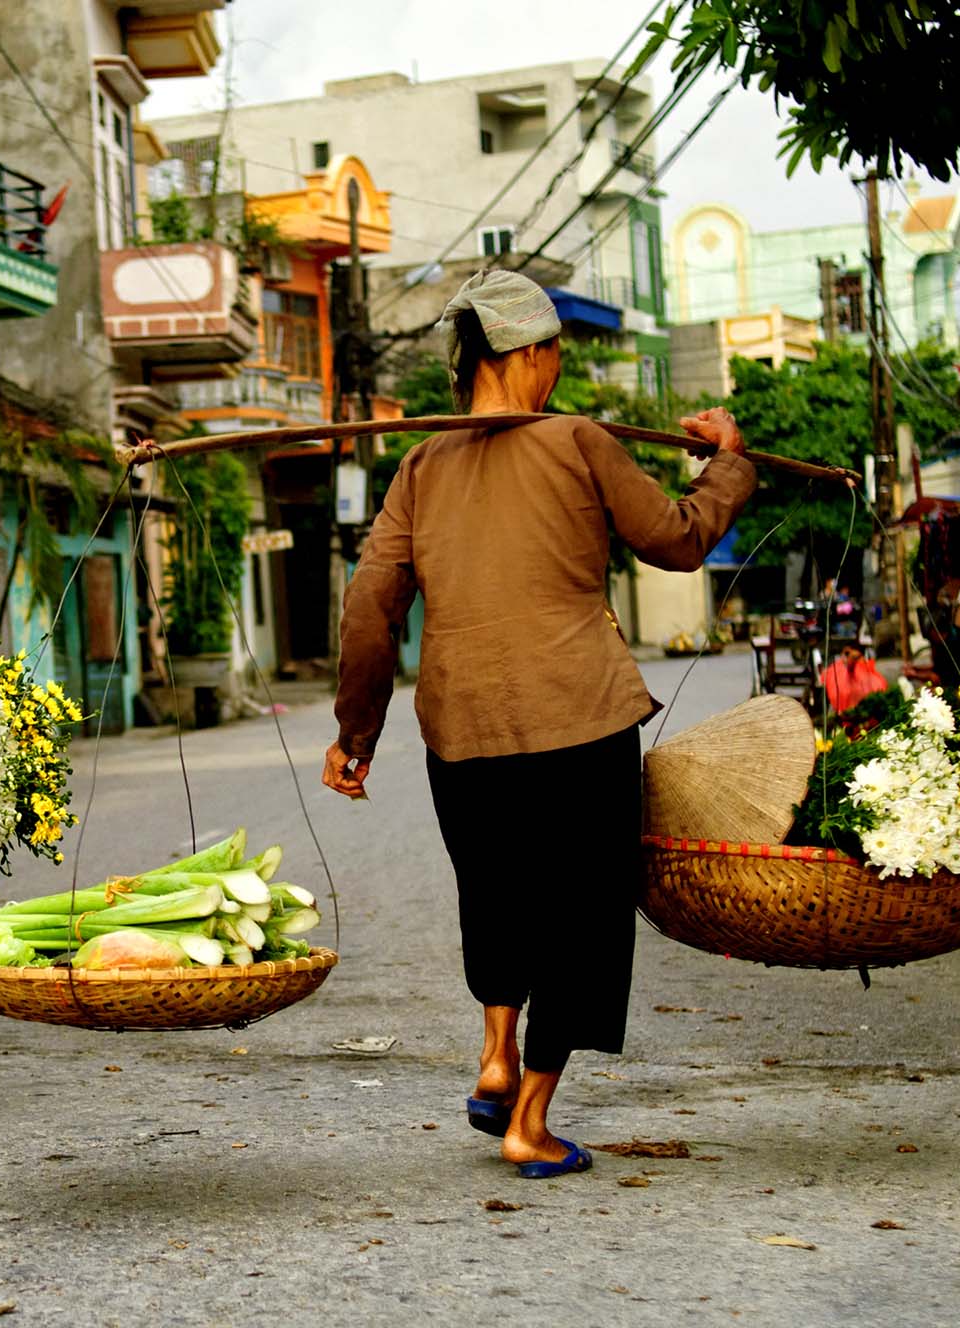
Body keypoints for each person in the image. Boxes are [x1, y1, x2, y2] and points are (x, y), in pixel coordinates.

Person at [321, 271, 754, 1179]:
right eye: (554, 352)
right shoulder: (580, 442)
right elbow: (677, 537)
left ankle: (493, 1053)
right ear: (527, 355)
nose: (556, 369)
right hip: (579, 724)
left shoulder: (422, 465)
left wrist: (356, 733)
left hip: (463, 732)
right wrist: (728, 462)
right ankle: (528, 1121)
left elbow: (369, 608)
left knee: (497, 895)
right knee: (582, 923)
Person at [820, 641, 888, 714]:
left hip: (861, 707)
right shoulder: (836, 669)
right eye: (846, 653)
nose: (848, 657)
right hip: (843, 707)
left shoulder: (867, 670)